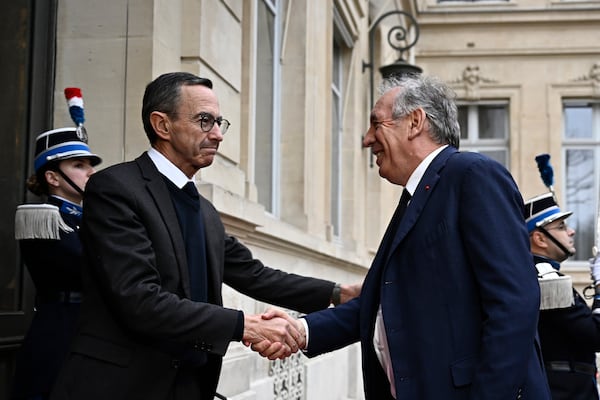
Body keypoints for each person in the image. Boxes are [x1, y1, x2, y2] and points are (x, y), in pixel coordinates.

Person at [49, 72, 360, 400]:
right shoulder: (115, 189)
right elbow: (140, 299)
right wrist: (245, 326)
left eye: (219, 122)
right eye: (204, 121)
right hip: (120, 384)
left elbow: (255, 276)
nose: (217, 135)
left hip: (192, 384)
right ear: (162, 125)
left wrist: (338, 293)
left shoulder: (206, 212)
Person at [260, 73, 551, 399]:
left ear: (415, 122)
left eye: (376, 124)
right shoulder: (416, 196)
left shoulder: (472, 175)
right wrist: (301, 330)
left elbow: (514, 303)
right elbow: (380, 305)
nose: (366, 139)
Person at [11, 127, 102, 399]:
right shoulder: (43, 218)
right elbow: (91, 266)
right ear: (52, 177)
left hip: (94, 330)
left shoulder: (92, 218)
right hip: (61, 330)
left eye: (90, 165)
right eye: (79, 165)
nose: (91, 172)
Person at [524, 191, 600, 400]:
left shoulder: (537, 273)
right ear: (539, 238)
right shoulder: (547, 280)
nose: (572, 231)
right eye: (561, 227)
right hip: (565, 392)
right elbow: (596, 335)